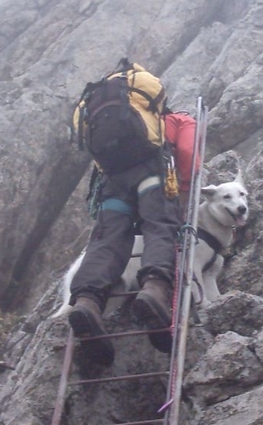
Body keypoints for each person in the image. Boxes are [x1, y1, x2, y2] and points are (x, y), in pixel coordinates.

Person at [68, 110, 198, 366]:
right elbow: (187, 153)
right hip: (152, 173)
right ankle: (154, 290)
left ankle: (87, 302)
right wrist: (182, 195)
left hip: (113, 181)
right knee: (159, 226)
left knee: (106, 242)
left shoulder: (110, 121)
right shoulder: (179, 120)